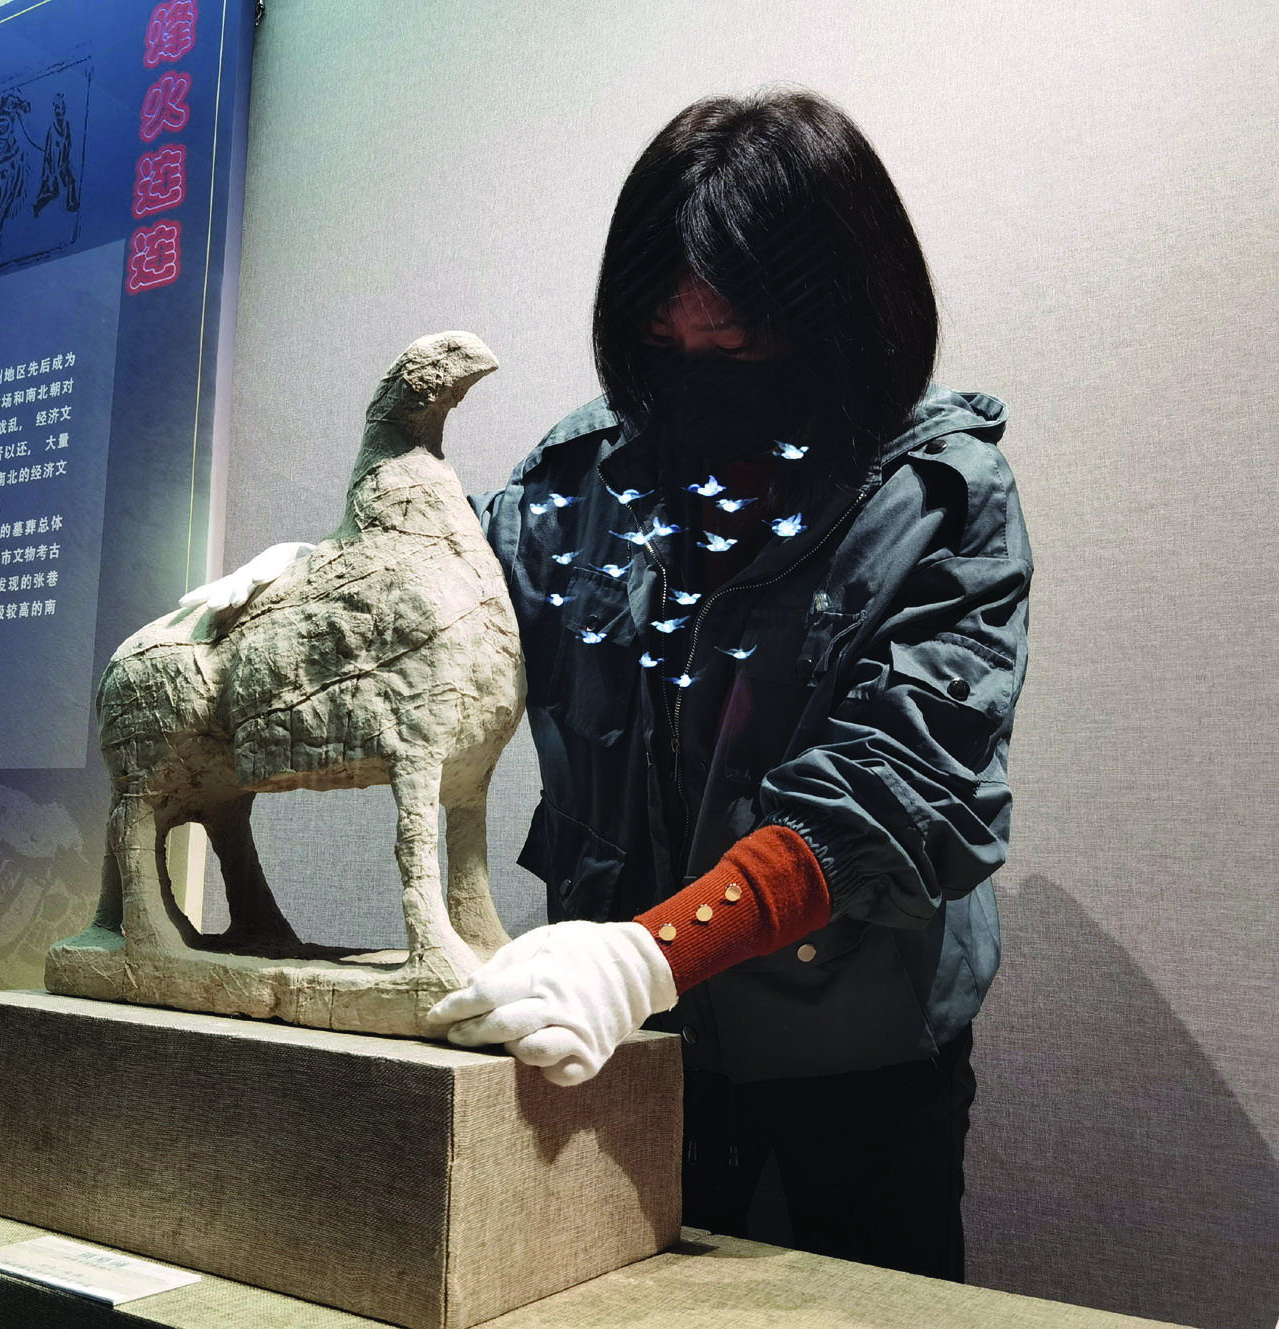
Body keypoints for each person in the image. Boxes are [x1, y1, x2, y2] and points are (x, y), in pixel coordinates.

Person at [189, 87, 1030, 1281]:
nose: (692, 373)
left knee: (870, 1296)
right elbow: (452, 605)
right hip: (618, 1031)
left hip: (852, 1041)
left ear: (838, 313)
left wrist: (645, 956)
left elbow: (893, 793)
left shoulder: (936, 499)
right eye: (658, 341)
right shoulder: (581, 480)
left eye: (732, 342)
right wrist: (320, 578)